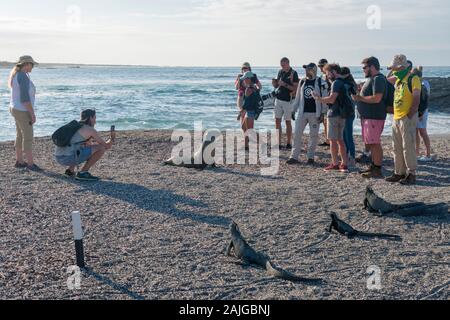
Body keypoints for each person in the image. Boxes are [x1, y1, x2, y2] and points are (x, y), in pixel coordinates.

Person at [385, 54, 421, 185]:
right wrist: (393, 68)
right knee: (397, 147)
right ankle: (398, 172)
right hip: (397, 117)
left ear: (402, 68)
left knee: (408, 147)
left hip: (407, 117)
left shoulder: (413, 78)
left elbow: (416, 97)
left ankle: (411, 173)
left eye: (395, 68)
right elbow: (387, 78)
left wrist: (411, 113)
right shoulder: (399, 80)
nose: (393, 71)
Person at [54, 109, 115, 181]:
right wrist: (112, 138)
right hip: (67, 159)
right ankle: (83, 173)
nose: (95, 121)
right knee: (101, 148)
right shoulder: (90, 130)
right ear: (90, 118)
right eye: (95, 118)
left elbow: (89, 146)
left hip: (58, 157)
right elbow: (106, 146)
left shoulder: (76, 126)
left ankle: (70, 171)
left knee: (79, 146)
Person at [352, 57, 387, 179]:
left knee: (375, 143)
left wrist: (359, 98)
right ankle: (374, 167)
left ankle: (377, 169)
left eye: (364, 67)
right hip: (369, 117)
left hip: (374, 117)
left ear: (372, 67)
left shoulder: (378, 79)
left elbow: (377, 98)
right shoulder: (373, 79)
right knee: (372, 143)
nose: (363, 70)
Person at [287, 63, 328, 165]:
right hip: (302, 113)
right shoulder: (302, 81)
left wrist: (323, 113)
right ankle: (294, 157)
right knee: (297, 134)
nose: (306, 71)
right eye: (306, 69)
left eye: (308, 69)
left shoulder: (320, 82)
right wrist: (293, 110)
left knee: (313, 136)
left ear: (313, 70)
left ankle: (310, 157)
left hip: (315, 113)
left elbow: (324, 98)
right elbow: (297, 98)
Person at [313, 63, 349, 173]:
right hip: (342, 114)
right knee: (340, 140)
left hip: (334, 114)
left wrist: (319, 99)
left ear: (334, 72)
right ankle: (344, 164)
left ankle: (335, 163)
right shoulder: (342, 82)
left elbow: (332, 99)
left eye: (328, 72)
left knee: (333, 141)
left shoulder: (336, 83)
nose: (327, 75)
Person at [8, 55, 41, 171]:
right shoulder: (23, 76)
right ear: (27, 64)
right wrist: (32, 114)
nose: (33, 67)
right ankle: (31, 164)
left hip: (15, 108)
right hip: (22, 110)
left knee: (20, 135)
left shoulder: (17, 74)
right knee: (28, 136)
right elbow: (25, 99)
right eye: (32, 64)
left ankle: (19, 161)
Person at [273, 57, 299, 149]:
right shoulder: (280, 72)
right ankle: (278, 143)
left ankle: (288, 143)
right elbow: (278, 85)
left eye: (283, 65)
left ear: (288, 63)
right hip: (278, 99)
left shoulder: (293, 73)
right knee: (277, 120)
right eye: (281, 65)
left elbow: (295, 89)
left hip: (288, 100)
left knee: (288, 121)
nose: (282, 67)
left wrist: (284, 84)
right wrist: (275, 84)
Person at [412, 66, 433, 161]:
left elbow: (424, 100)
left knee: (422, 132)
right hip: (419, 111)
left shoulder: (423, 84)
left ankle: (428, 155)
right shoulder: (423, 82)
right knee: (416, 131)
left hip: (422, 111)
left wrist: (420, 113)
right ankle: (416, 153)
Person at [235, 62, 261, 132]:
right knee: (243, 116)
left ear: (249, 68)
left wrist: (254, 89)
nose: (244, 69)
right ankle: (245, 134)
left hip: (250, 97)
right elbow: (236, 88)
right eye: (243, 68)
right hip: (241, 96)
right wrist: (239, 79)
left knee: (249, 116)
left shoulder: (253, 76)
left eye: (246, 68)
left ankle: (250, 134)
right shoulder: (240, 76)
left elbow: (260, 87)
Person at [340, 67, 357, 167]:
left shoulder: (348, 84)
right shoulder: (350, 83)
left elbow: (350, 98)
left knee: (348, 135)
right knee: (345, 135)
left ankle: (352, 157)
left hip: (348, 112)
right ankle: (347, 155)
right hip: (348, 112)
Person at [240, 71, 260, 149]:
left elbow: (247, 103)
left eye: (245, 79)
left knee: (250, 131)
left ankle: (262, 144)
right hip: (251, 111)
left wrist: (241, 112)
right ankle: (246, 145)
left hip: (250, 111)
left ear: (248, 79)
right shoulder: (254, 87)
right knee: (244, 127)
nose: (243, 80)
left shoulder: (248, 89)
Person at [318, 58, 331, 147]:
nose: (320, 68)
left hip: (329, 100)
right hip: (324, 100)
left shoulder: (329, 75)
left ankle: (329, 140)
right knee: (325, 121)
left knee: (328, 121)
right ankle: (328, 139)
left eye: (321, 66)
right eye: (319, 66)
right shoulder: (322, 76)